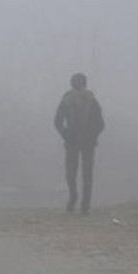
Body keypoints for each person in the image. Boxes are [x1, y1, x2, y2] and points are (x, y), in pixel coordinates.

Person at [54, 72, 104, 215]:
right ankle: (77, 199)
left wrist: (90, 136)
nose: (77, 85)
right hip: (76, 141)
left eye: (79, 82)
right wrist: (67, 135)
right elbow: (58, 121)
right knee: (75, 174)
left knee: (82, 174)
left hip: (82, 142)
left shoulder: (89, 100)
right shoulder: (69, 100)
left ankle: (83, 203)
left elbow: (100, 123)